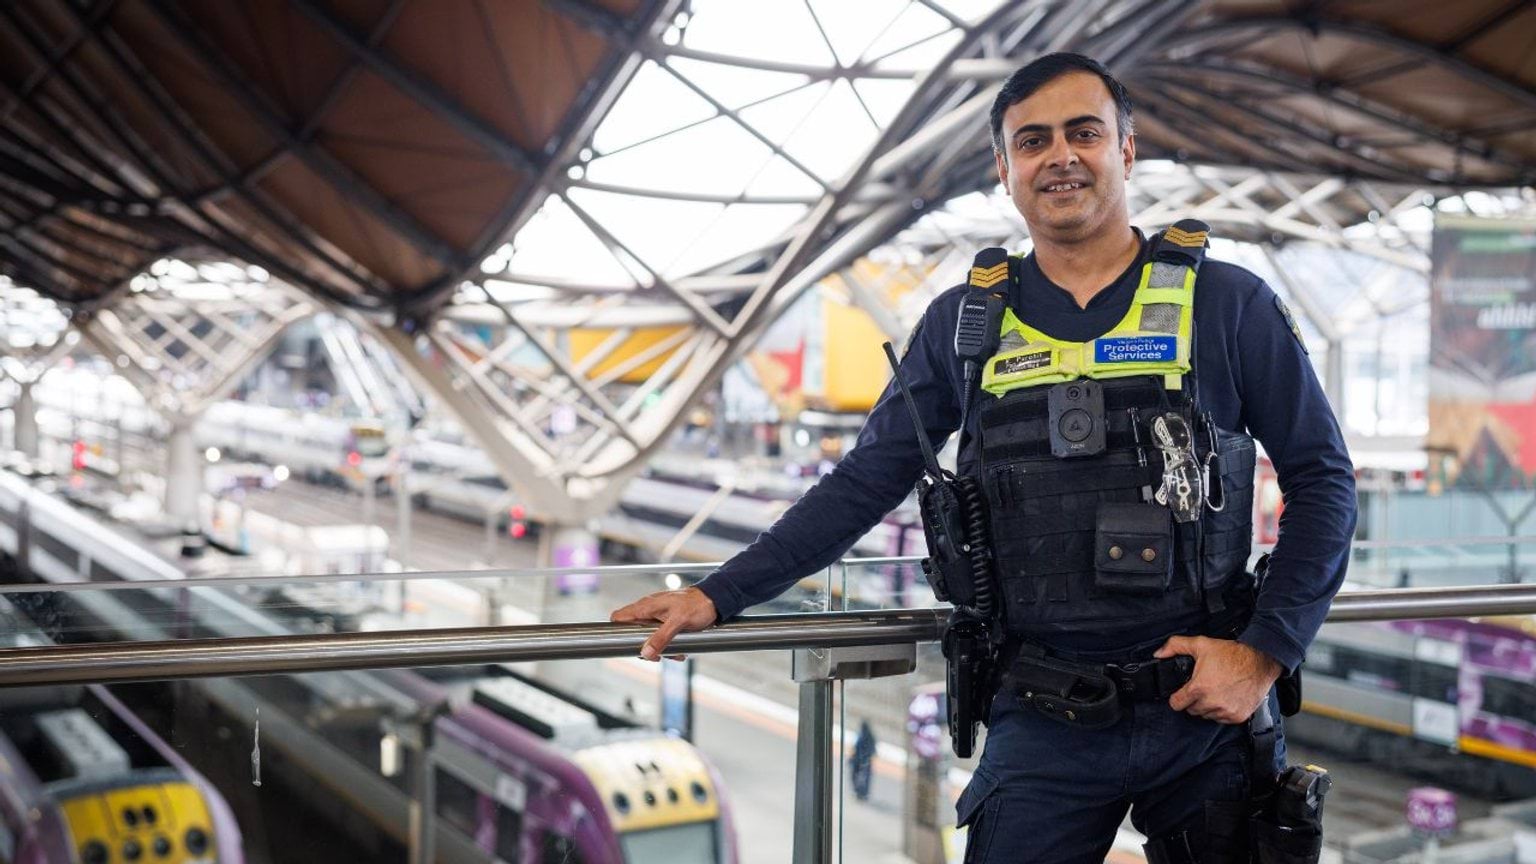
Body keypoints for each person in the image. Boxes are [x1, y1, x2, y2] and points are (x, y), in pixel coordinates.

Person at [612, 52, 1356, 862]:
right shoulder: (963, 326)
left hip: (1207, 711)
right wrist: (718, 594)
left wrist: (1265, 653)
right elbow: (867, 481)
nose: (1060, 156)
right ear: (1005, 170)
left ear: (1127, 150)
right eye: (1032, 141)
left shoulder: (1226, 303)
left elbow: (1323, 480)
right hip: (1043, 716)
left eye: (1084, 133)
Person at [850, 719, 877, 802]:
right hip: (860, 761)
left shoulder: (865, 736)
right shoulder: (864, 736)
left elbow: (871, 750)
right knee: (860, 778)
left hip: (863, 761)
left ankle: (862, 793)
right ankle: (860, 793)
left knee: (862, 778)